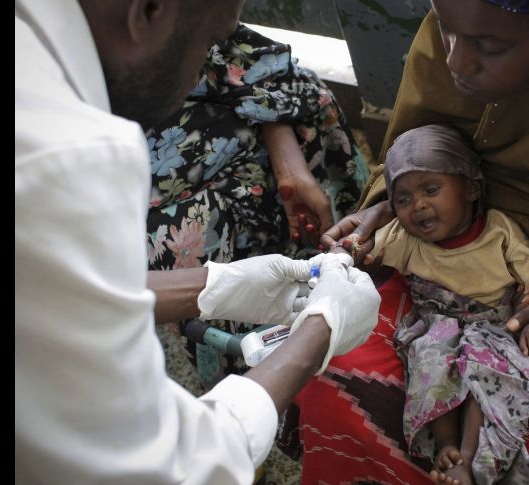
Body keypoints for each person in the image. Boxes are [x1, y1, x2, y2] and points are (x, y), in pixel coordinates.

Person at [287, 0, 529, 482]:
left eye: (489, 45)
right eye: (444, 31)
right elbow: (420, 149)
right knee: (332, 376)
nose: (455, 63)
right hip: (444, 264)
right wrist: (387, 205)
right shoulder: (456, 45)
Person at [15, 0, 380, 483]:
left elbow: (42, 299)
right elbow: (159, 467)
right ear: (148, 11)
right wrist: (318, 332)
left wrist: (210, 286)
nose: (198, 75)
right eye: (207, 43)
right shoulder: (70, 159)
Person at [145, 23, 370, 384]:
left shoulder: (196, 38)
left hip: (202, 103)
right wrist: (317, 334)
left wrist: (286, 158)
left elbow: (231, 49)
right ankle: (237, 362)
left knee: (308, 96)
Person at [371, 123, 529, 484]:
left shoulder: (499, 231)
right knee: (430, 361)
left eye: (431, 189)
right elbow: (366, 251)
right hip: (435, 324)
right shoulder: (406, 240)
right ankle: (447, 447)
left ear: (472, 189)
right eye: (404, 199)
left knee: (484, 370)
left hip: (495, 328)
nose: (419, 206)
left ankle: (472, 457)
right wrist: (350, 247)